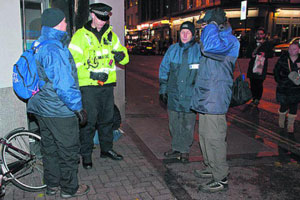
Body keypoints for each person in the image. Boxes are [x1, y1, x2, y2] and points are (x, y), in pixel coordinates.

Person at [27, 8, 90, 198]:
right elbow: (64, 84)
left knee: (50, 149)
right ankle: (69, 189)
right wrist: (77, 108)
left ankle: (52, 186)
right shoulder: (55, 48)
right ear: (57, 24)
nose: (66, 24)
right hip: (59, 109)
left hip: (43, 109)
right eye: (63, 21)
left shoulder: (39, 44)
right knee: (68, 151)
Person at [69, 3, 129, 169]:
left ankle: (106, 149)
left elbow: (125, 59)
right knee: (88, 122)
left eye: (106, 18)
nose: (103, 21)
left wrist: (121, 55)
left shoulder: (111, 35)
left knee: (107, 120)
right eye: (101, 18)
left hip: (107, 86)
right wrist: (92, 75)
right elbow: (73, 63)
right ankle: (86, 155)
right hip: (89, 87)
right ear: (92, 16)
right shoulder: (80, 36)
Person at [190, 8, 240, 193]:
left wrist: (211, 25)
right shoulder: (215, 37)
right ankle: (211, 167)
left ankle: (221, 177)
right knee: (204, 136)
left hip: (215, 98)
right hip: (206, 97)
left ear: (216, 23)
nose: (203, 27)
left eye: (206, 23)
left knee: (215, 139)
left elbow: (210, 48)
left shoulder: (229, 40)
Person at [159, 21, 201, 163]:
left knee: (188, 124)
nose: (184, 35)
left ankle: (184, 151)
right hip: (174, 95)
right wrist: (163, 89)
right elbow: (164, 69)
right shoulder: (172, 49)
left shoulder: (199, 51)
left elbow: (204, 74)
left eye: (187, 32)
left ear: (193, 34)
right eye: (182, 32)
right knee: (174, 123)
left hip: (190, 96)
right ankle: (176, 148)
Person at [274, 43, 300, 133]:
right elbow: (276, 70)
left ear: (299, 50)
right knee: (283, 105)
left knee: (294, 106)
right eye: (290, 49)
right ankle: (281, 121)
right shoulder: (283, 59)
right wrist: (279, 80)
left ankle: (290, 125)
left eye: (295, 49)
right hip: (284, 87)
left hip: (296, 88)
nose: (292, 51)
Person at [246, 27, 273, 105]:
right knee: (252, 83)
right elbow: (247, 53)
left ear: (264, 35)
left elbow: (271, 54)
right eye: (258, 34)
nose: (259, 35)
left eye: (261, 34)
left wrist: (265, 54)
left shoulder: (267, 44)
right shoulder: (252, 43)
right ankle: (254, 97)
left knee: (259, 83)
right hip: (252, 66)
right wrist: (251, 54)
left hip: (261, 66)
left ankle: (257, 98)